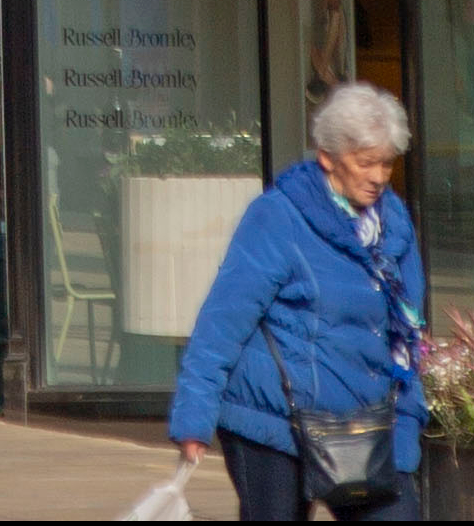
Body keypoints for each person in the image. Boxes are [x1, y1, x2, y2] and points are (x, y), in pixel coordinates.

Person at [168, 83, 426, 521]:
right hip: (273, 423)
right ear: (327, 157)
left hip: (364, 422)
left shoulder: (394, 224)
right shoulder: (278, 216)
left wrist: (408, 422)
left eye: (386, 162)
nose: (379, 176)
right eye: (365, 163)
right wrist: (194, 414)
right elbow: (224, 321)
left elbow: (406, 335)